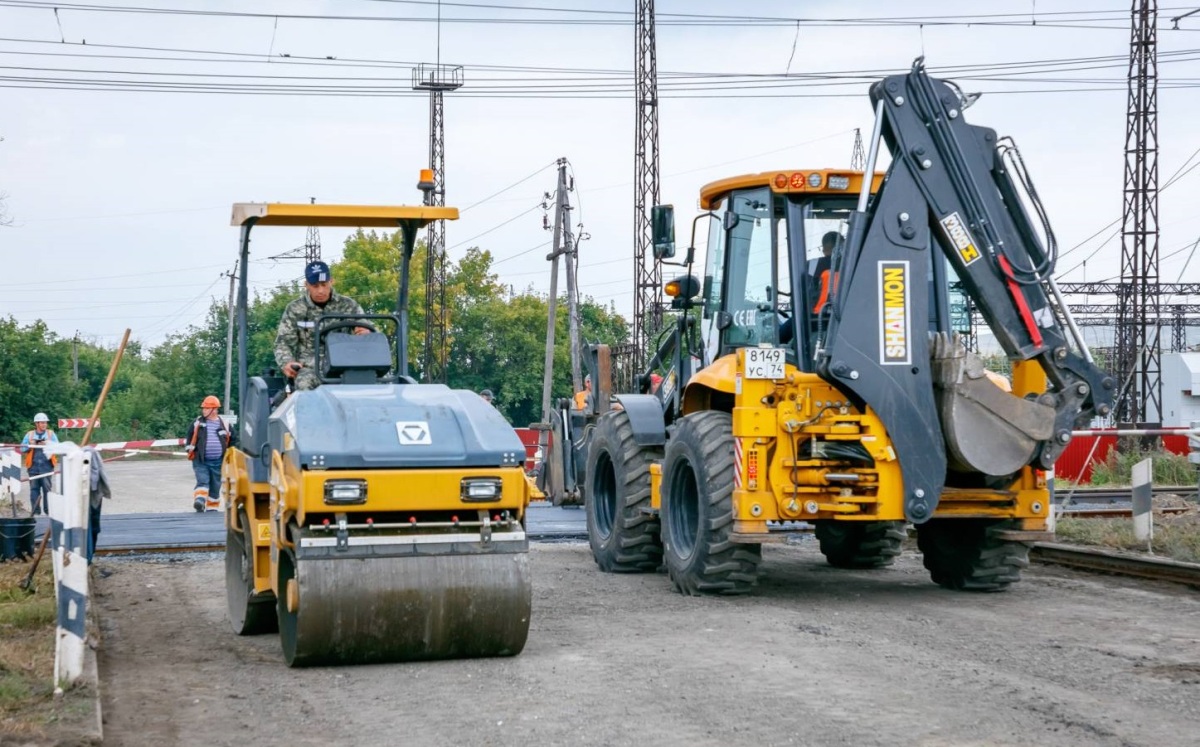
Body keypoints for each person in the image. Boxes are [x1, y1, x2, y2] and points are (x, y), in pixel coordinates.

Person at [274, 260, 369, 391]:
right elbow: (283, 342)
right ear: (306, 285)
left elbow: (366, 329)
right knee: (304, 383)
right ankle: (308, 411)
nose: (320, 290)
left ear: (331, 281)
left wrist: (364, 332)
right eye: (315, 286)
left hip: (343, 366)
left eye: (324, 285)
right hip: (310, 369)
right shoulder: (295, 309)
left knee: (375, 381)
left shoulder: (349, 305)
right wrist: (287, 362)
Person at [186, 395, 235, 513]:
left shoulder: (225, 424)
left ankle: (212, 509)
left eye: (206, 408)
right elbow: (189, 436)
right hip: (200, 460)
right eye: (204, 408)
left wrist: (233, 454)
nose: (204, 410)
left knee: (215, 485)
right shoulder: (198, 423)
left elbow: (234, 440)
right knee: (203, 480)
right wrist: (190, 450)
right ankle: (200, 501)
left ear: (214, 409)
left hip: (218, 462)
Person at [19, 413, 58, 516]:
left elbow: (58, 447)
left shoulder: (50, 434)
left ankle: (49, 512)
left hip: (47, 466)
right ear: (37, 423)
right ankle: (36, 512)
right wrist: (32, 444)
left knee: (47, 490)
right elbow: (22, 448)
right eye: (42, 422)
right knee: (34, 490)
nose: (44, 424)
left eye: (45, 422)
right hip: (33, 467)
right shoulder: (30, 435)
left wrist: (48, 444)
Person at [84, 445, 111, 565]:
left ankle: (89, 554)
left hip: (94, 496)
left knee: (93, 526)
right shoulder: (82, 458)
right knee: (90, 527)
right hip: (87, 496)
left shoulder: (91, 457)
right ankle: (88, 554)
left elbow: (96, 475)